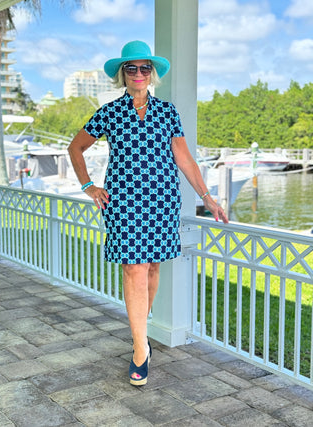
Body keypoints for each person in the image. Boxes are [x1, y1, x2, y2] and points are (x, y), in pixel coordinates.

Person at [68, 40, 229, 386]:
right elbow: (76, 148)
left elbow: (184, 159)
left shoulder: (167, 112)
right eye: (131, 68)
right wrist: (88, 186)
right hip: (123, 203)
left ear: (151, 74)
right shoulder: (109, 113)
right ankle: (140, 348)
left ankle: (140, 332)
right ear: (122, 75)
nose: (138, 74)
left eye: (144, 68)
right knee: (134, 268)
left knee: (152, 266)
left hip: (161, 201)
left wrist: (208, 197)